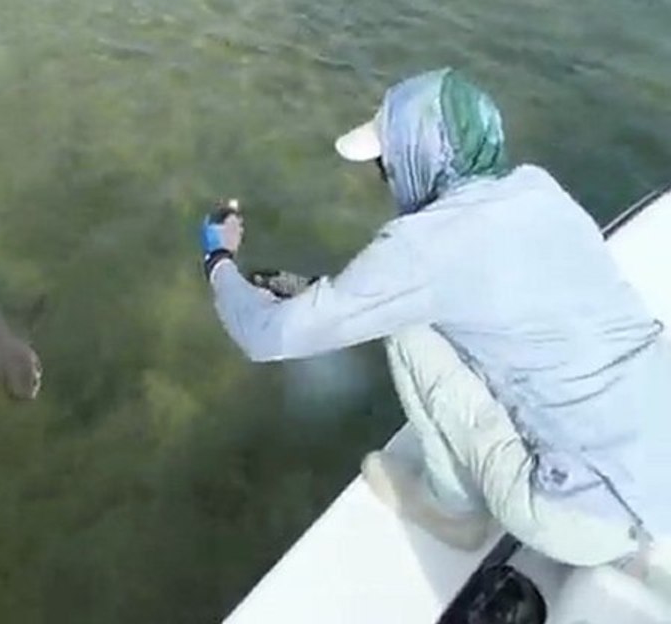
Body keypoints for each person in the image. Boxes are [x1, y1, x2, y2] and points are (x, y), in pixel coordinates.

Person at [198, 68, 671, 592]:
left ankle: (453, 509)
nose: (387, 176)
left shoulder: (418, 246)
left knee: (408, 326)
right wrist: (323, 292)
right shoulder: (539, 189)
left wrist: (217, 259)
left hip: (583, 524)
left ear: (424, 159)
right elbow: (481, 283)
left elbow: (266, 336)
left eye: (387, 164)